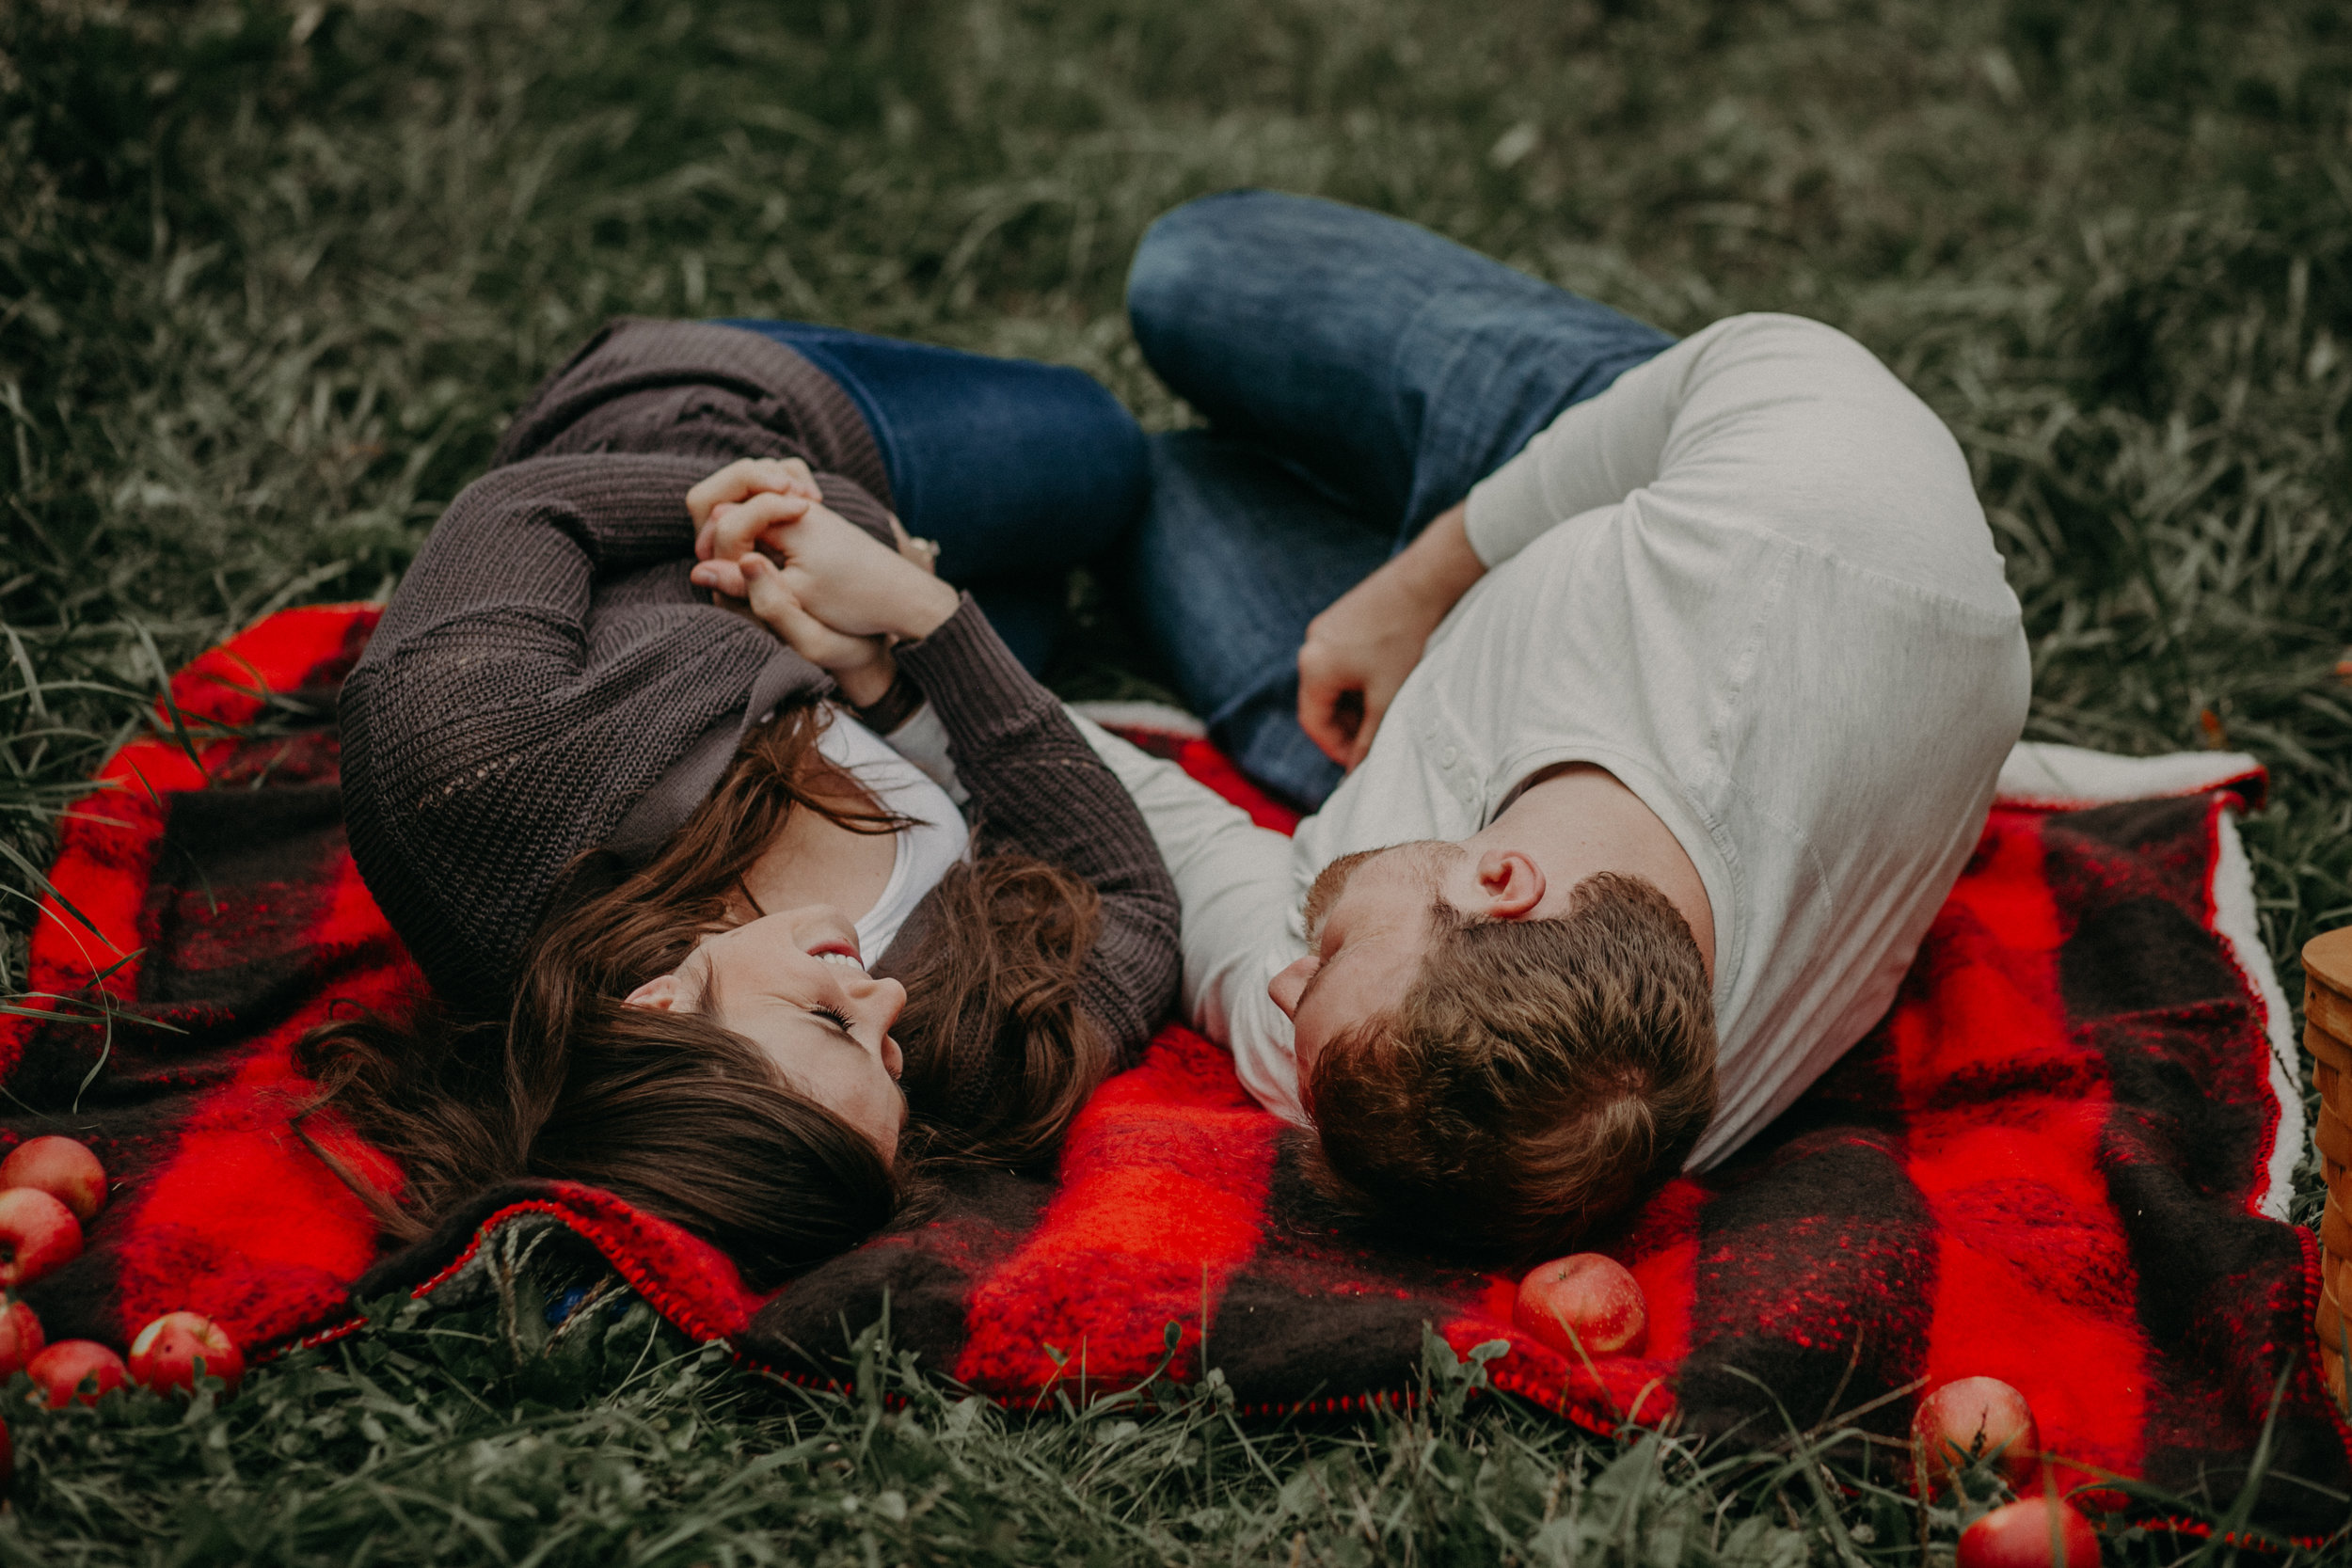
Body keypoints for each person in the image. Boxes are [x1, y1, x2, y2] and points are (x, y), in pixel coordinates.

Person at [1061, 190, 2032, 1259]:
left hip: (1405, 732)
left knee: (1119, 482)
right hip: (1613, 483)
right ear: (1499, 882)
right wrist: (1418, 582)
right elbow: (1734, 365)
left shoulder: (1485, 1105)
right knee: (1188, 272)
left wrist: (921, 667)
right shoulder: (1800, 529)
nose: (1281, 985)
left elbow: (1202, 878)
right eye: (1328, 957)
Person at [303, 317, 1180, 1288]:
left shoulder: (469, 773)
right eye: (887, 1059)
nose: (889, 1003)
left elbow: (532, 506)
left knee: (1109, 453)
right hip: (890, 609)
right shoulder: (892, 1079)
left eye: (829, 1019)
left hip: (717, 431)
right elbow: (1134, 900)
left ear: (661, 1004)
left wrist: (835, 524)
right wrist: (928, 615)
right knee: (1066, 586)